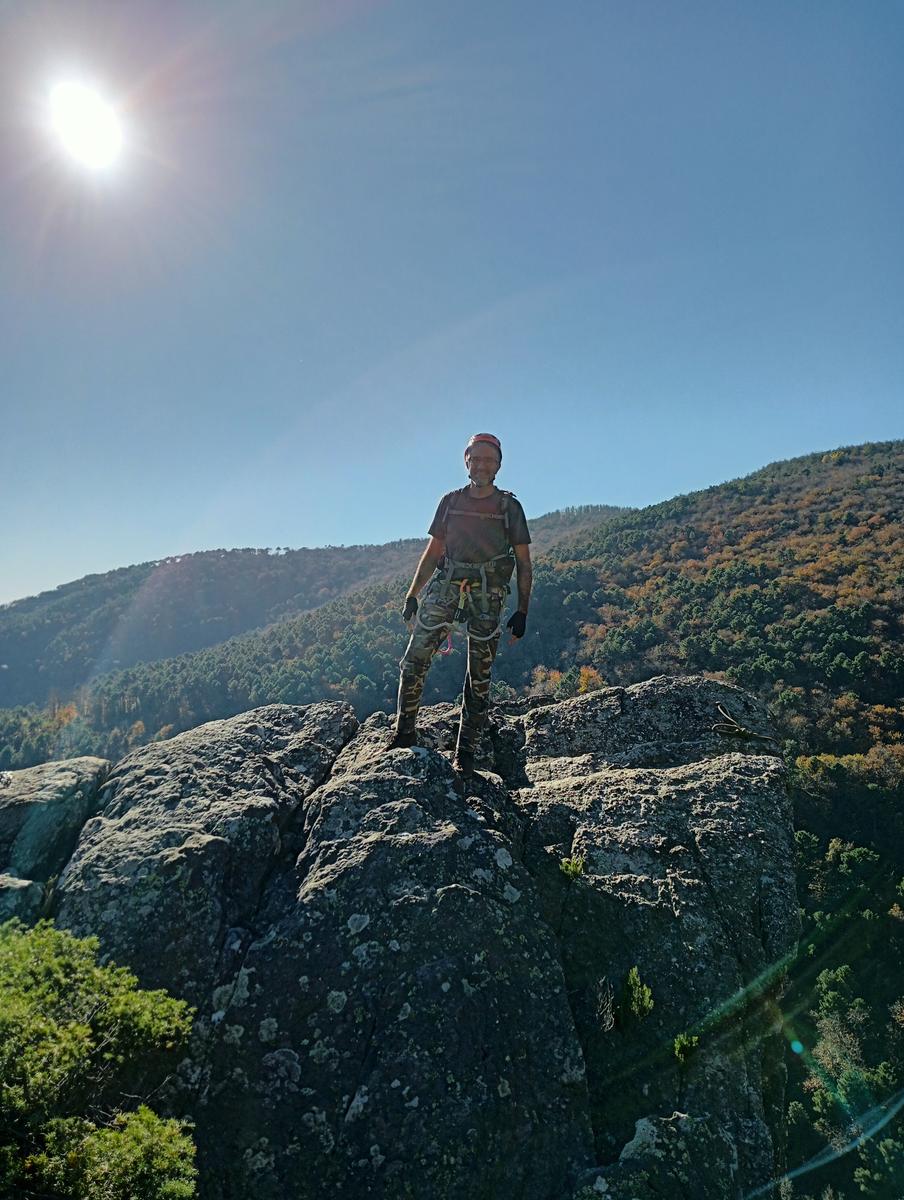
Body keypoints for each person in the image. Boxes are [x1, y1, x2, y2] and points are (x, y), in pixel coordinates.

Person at [388, 433, 532, 774]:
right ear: (466, 460)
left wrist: (523, 610)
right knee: (413, 662)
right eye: (476, 458)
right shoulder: (450, 502)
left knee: (478, 677)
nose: (482, 465)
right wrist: (412, 593)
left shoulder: (509, 508)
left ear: (498, 465)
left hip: (488, 595)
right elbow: (433, 552)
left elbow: (525, 563)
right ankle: (404, 735)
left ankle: (464, 754)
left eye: (489, 460)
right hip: (445, 587)